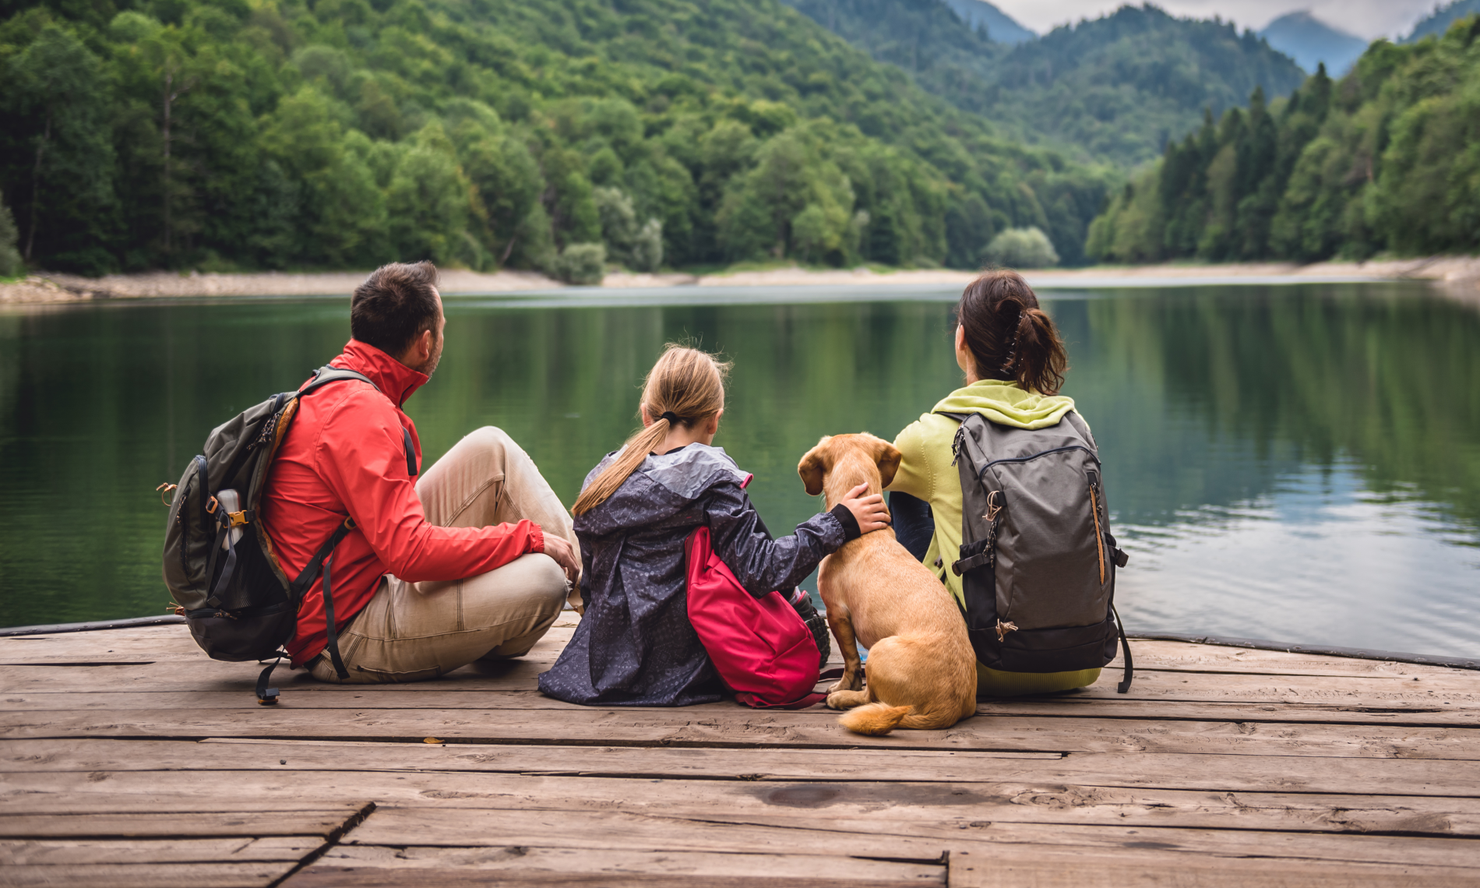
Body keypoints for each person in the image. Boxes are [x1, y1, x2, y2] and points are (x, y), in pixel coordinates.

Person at [262, 261, 582, 683]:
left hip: (364, 571)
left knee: (492, 448)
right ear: (425, 343)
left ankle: (602, 598)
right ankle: (606, 609)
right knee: (543, 580)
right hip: (344, 633)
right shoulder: (362, 414)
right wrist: (527, 538)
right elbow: (410, 555)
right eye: (444, 327)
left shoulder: (339, 385)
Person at [538, 344, 891, 706]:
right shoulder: (712, 482)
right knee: (803, 620)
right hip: (684, 669)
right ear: (714, 420)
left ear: (646, 415)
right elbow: (763, 571)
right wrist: (838, 523)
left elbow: (593, 586)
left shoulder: (602, 479)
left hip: (601, 667)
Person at [887, 269, 1102, 695]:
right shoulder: (1075, 426)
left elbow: (863, 481)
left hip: (976, 664)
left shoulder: (930, 437)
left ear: (960, 339)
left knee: (901, 495)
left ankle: (914, 640)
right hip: (1083, 661)